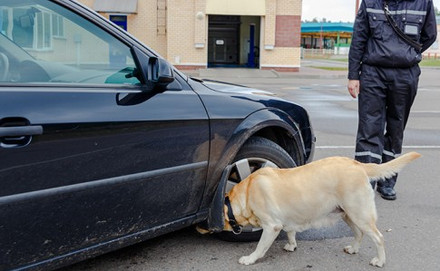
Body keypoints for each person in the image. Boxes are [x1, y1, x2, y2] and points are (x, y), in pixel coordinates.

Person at [347, 0, 437, 200]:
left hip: (406, 75)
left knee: (396, 128)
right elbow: (359, 38)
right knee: (369, 128)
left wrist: (408, 53)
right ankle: (365, 183)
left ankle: (388, 181)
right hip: (372, 73)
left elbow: (430, 35)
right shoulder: (370, 2)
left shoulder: (423, 2)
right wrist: (354, 75)